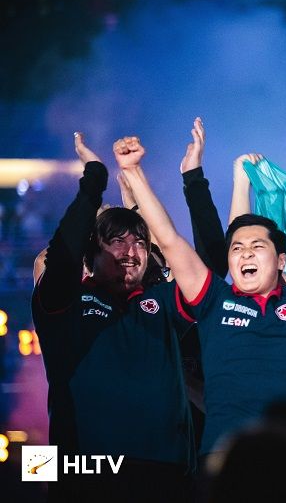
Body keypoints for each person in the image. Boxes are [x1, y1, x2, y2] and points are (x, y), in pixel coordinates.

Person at [114, 132, 286, 465]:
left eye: (257, 246)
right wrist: (133, 171)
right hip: (223, 459)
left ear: (281, 260)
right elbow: (170, 240)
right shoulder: (213, 298)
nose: (245, 253)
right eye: (237, 248)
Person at [31, 133, 195, 502]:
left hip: (164, 468)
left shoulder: (162, 300)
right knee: (36, 474)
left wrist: (136, 178)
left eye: (138, 243)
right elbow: (58, 258)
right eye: (116, 241)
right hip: (83, 466)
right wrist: (94, 179)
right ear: (90, 251)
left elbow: (176, 254)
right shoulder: (66, 302)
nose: (130, 252)